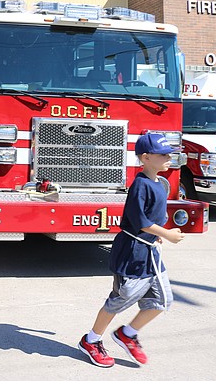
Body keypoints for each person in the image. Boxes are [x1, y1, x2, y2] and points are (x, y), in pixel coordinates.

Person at [78, 133, 186, 368]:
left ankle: (127, 333)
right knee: (120, 299)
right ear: (146, 158)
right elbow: (141, 221)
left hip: (150, 253)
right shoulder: (140, 185)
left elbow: (155, 216)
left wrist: (158, 234)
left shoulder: (161, 183)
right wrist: (167, 233)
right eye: (163, 155)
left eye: (170, 154)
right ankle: (91, 340)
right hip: (132, 252)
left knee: (162, 300)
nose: (169, 158)